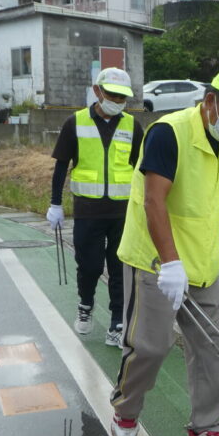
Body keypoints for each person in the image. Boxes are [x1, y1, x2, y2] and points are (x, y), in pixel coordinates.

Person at [109, 66, 219, 436]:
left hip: (202, 260)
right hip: (155, 261)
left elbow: (211, 204)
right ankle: (125, 412)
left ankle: (206, 428)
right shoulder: (168, 132)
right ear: (210, 100)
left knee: (214, 344)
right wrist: (171, 264)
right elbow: (153, 200)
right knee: (151, 346)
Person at [46, 67, 143, 347]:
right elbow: (61, 165)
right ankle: (86, 305)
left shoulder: (132, 125)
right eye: (112, 94)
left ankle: (117, 322)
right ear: (97, 91)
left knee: (118, 268)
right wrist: (55, 204)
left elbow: (141, 168)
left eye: (123, 97)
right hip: (87, 212)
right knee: (89, 266)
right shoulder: (74, 123)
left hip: (122, 213)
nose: (118, 101)